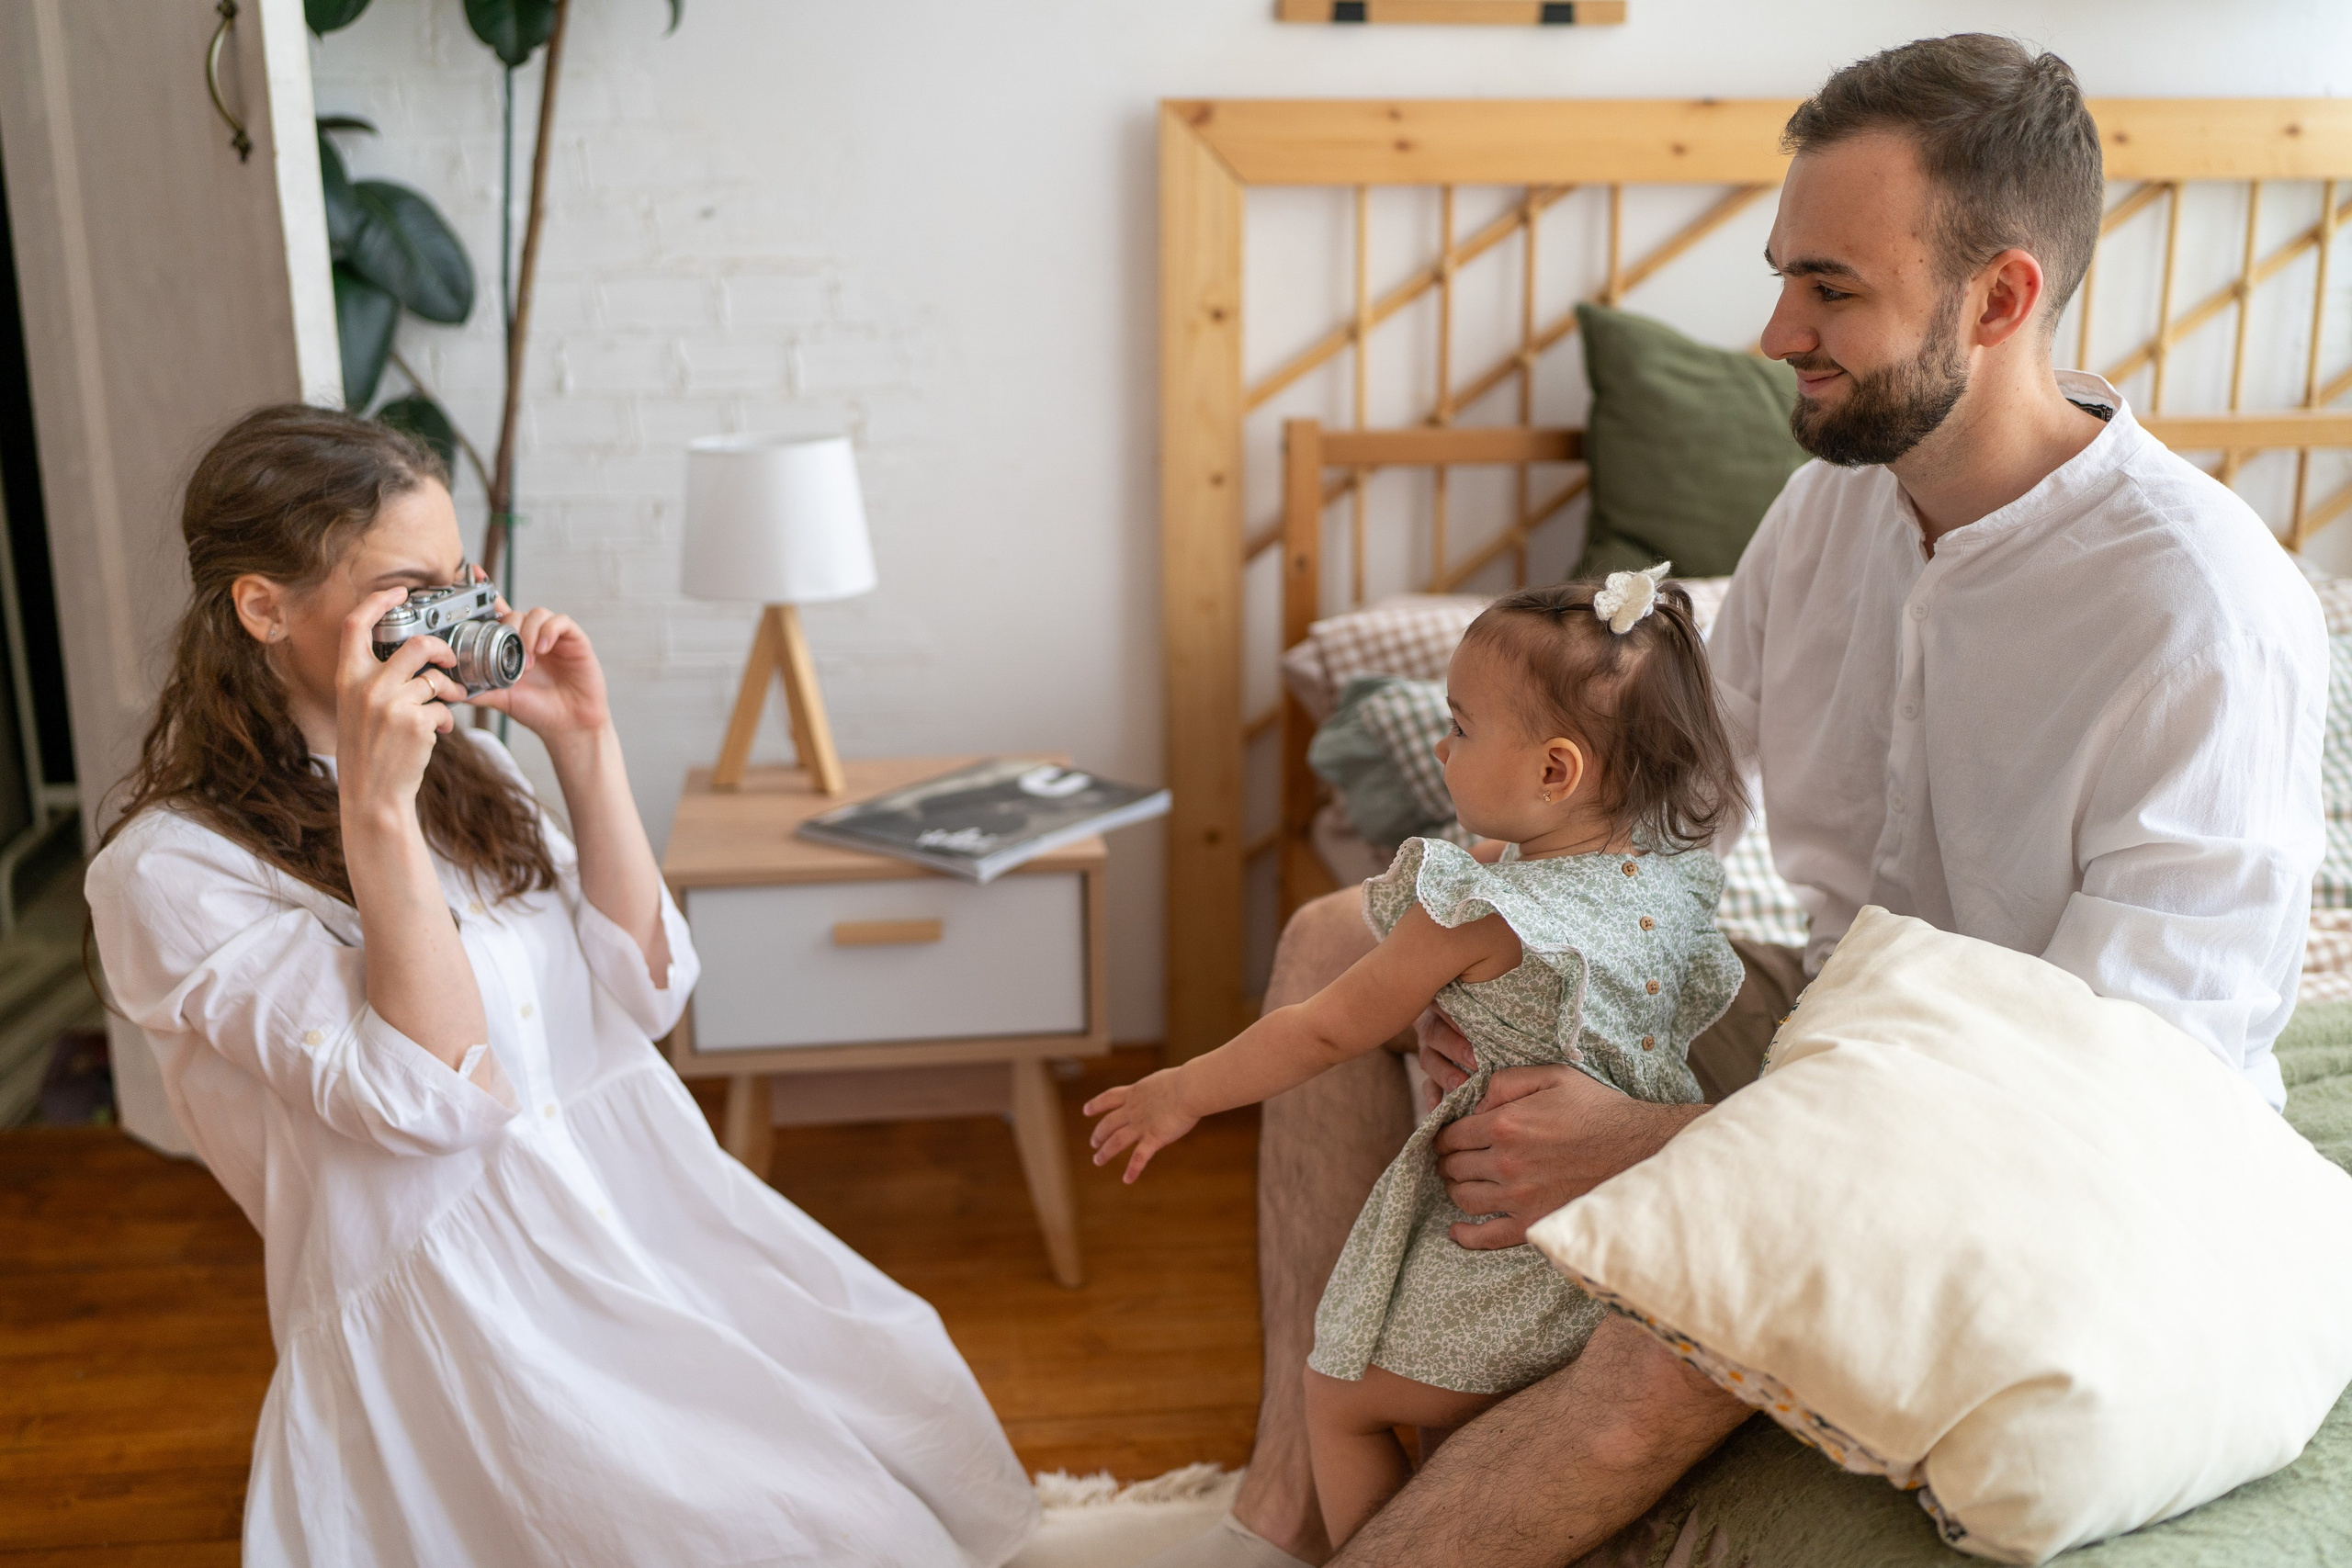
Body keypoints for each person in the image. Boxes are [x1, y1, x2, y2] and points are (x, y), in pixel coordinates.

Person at [1148, 34, 2326, 1568]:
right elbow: (1676, 802)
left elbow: (2121, 1084)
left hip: (2053, 1143)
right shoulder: (1831, 503)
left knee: (1673, 1328)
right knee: (1337, 941)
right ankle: (1278, 1513)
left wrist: (1673, 1144)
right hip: (1842, 1033)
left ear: (2001, 299)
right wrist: (1509, 951)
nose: (1778, 332)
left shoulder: (2200, 608)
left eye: (1830, 289)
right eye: (1783, 278)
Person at [85, 406, 1039, 1568]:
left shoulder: (473, 765)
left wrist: (585, 744)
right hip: (481, 1305)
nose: (450, 618)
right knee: (791, 1526)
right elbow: (427, 1099)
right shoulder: (171, 873)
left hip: (639, 1204)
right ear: (263, 607)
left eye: (458, 581)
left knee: (901, 1385)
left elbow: (646, 992)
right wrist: (376, 813)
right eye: (407, 591)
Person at [1088, 571, 1744, 1545]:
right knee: (1455, 1426)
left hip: (1509, 1248)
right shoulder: (1670, 879)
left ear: (1555, 772)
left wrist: (1182, 1091)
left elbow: (1321, 1030)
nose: (1442, 748)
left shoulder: (1471, 913)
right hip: (1624, 1234)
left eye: (1460, 726)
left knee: (1336, 1396)